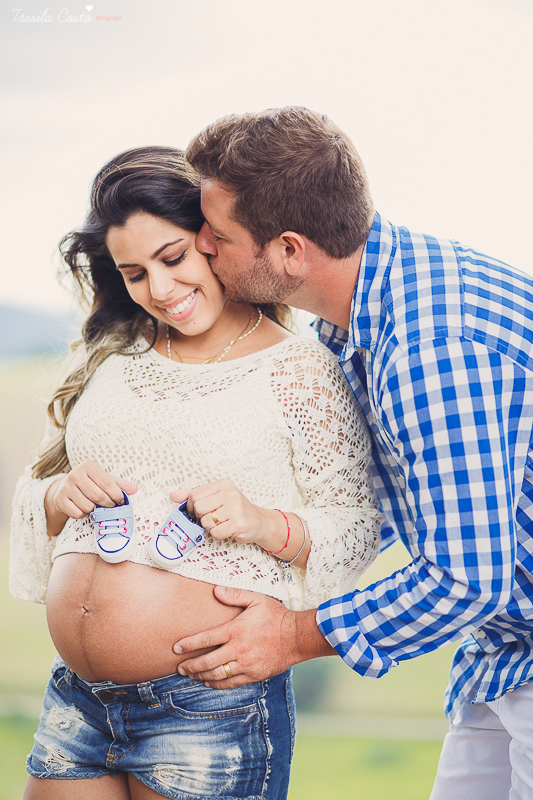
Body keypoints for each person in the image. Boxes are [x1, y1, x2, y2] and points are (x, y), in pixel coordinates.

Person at [170, 107, 533, 799]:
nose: (202, 247)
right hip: (506, 652)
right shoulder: (362, 318)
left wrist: (292, 637)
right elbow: (390, 504)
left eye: (218, 235)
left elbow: (466, 578)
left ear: (289, 250)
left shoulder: (431, 349)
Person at [9, 146, 383, 800]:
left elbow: (358, 527)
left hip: (209, 703)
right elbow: (36, 488)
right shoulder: (111, 356)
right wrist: (56, 497)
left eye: (173, 257)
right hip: (78, 699)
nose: (159, 290)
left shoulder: (300, 371)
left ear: (213, 240)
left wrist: (263, 523)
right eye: (133, 272)